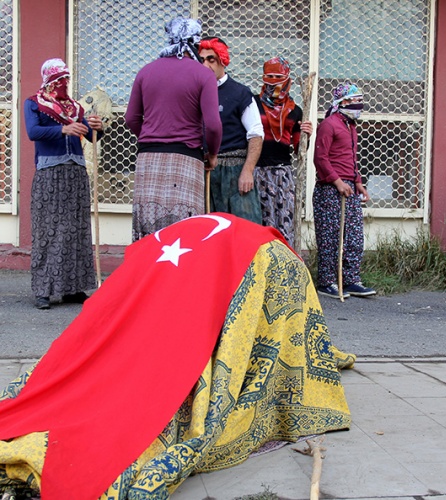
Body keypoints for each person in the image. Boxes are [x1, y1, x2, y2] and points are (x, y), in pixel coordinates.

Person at [0, 214, 354, 499]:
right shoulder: (276, 256)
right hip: (211, 250)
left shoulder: (263, 249)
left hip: (180, 251)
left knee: (124, 338)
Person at [125, 17, 222, 242]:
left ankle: (147, 276)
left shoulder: (145, 72)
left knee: (149, 229)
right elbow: (214, 125)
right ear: (195, 43)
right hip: (186, 159)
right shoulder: (202, 74)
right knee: (183, 234)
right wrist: (213, 154)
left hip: (148, 158)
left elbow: (131, 118)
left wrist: (152, 137)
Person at [24, 58, 104, 310]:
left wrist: (97, 129)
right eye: (58, 80)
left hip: (75, 174)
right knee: (48, 231)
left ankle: (72, 288)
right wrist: (63, 130)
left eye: (65, 79)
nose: (63, 84)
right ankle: (43, 291)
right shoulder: (34, 104)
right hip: (49, 174)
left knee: (75, 230)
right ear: (47, 80)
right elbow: (32, 132)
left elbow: (91, 138)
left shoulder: (76, 108)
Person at [313, 81, 376, 299]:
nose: (360, 105)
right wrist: (337, 182)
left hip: (349, 187)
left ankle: (350, 280)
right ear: (344, 102)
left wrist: (357, 181)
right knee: (330, 236)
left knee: (354, 235)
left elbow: (351, 159)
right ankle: (327, 281)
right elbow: (320, 158)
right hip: (330, 189)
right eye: (356, 101)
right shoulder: (329, 125)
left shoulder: (351, 127)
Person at [198, 36, 265, 223]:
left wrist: (247, 171)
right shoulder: (195, 92)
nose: (205, 65)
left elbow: (256, 134)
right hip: (205, 172)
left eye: (211, 59)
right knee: (208, 230)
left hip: (236, 172)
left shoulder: (240, 93)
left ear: (222, 60)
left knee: (244, 228)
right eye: (201, 59)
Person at [253, 56, 313, 247]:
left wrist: (306, 135)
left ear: (287, 78)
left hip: (282, 174)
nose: (273, 81)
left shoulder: (295, 111)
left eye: (278, 76)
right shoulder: (253, 104)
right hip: (256, 171)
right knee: (259, 221)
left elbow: (298, 150)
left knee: (283, 221)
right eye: (269, 76)